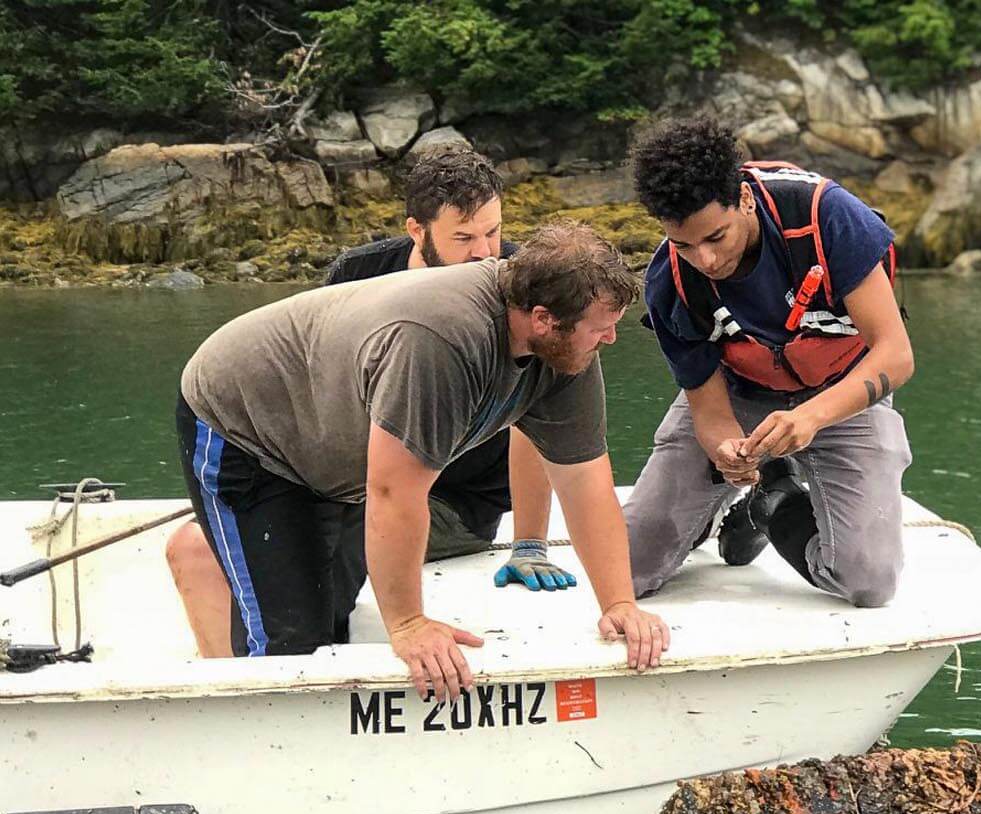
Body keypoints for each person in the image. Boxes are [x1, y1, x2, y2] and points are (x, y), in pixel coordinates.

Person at [176, 221, 667, 700]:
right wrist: (409, 625)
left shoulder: (566, 350)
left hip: (333, 449)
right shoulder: (440, 341)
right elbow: (395, 492)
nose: (610, 340)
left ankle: (226, 568)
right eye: (600, 330)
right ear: (542, 319)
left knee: (331, 623)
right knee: (292, 647)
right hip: (248, 428)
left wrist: (619, 604)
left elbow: (585, 480)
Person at [166, 146, 574, 660]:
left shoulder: (520, 284)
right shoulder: (361, 275)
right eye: (464, 237)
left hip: (450, 496)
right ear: (417, 230)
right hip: (356, 479)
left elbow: (531, 424)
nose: (485, 253)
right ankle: (236, 660)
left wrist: (529, 541)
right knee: (237, 563)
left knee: (328, 568)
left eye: (493, 232)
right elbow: (312, 391)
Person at [623, 116, 915, 607]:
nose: (706, 260)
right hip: (744, 395)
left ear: (744, 199)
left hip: (842, 395)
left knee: (869, 582)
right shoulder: (670, 281)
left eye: (716, 237)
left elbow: (896, 354)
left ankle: (773, 503)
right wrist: (726, 452)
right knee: (627, 567)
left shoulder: (826, 215)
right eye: (684, 244)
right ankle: (722, 506)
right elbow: (709, 410)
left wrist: (809, 417)